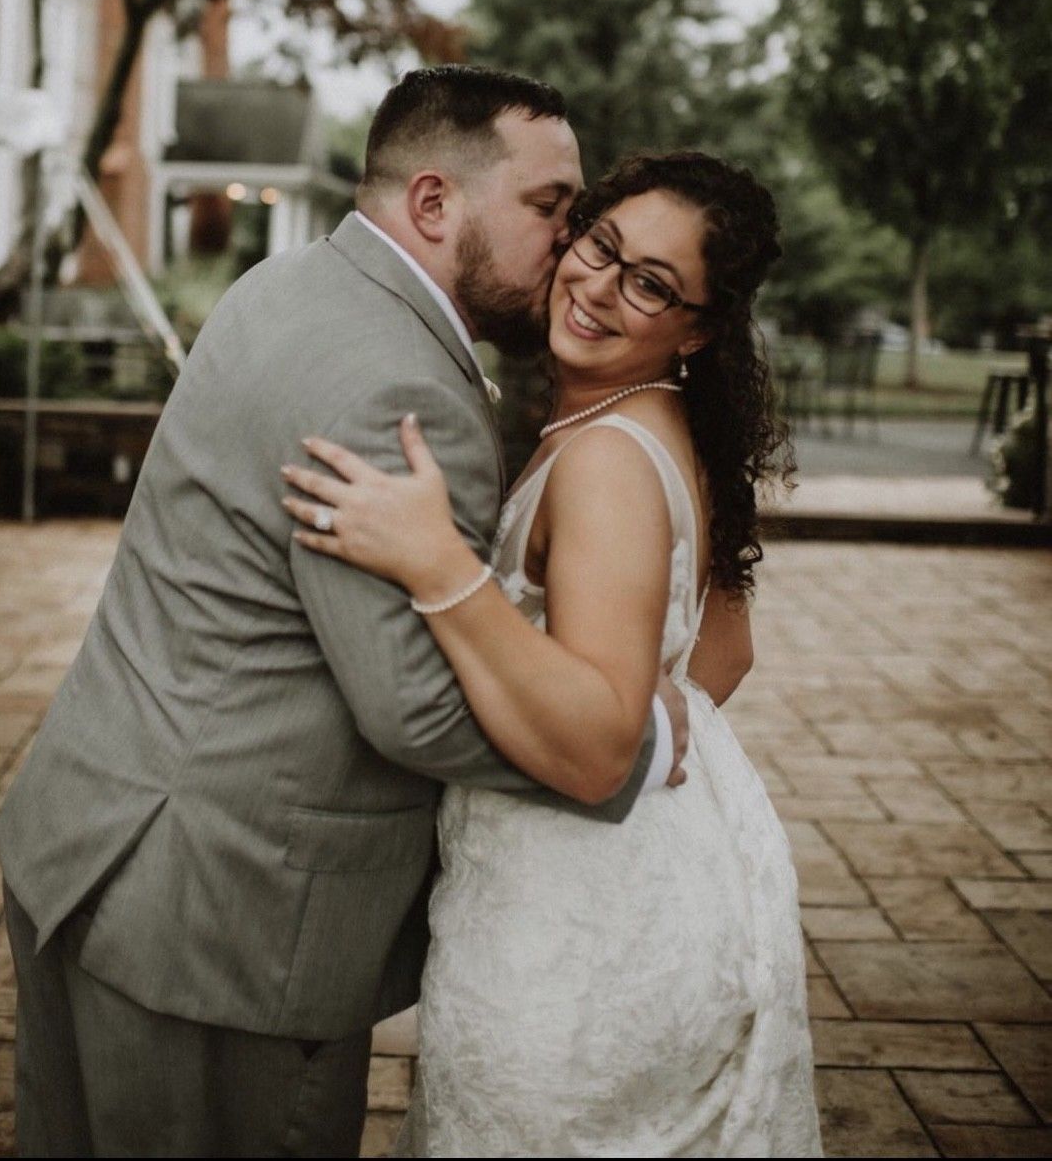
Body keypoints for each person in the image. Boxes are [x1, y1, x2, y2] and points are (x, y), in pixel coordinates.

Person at [0, 66, 693, 1159]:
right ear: (432, 203)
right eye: (551, 210)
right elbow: (410, 708)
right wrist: (616, 742)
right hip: (223, 925)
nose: (570, 246)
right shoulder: (397, 388)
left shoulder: (288, 286)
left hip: (93, 843)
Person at [282, 149, 823, 1157]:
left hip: (575, 939)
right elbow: (726, 648)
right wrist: (659, 744)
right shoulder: (641, 423)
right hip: (626, 888)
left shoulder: (610, 460)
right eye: (600, 244)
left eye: (651, 284)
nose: (599, 286)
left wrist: (438, 563)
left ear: (699, 328)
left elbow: (588, 753)